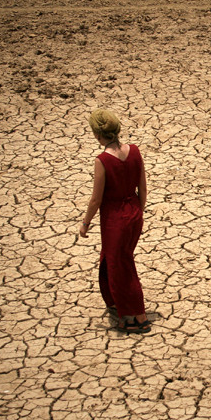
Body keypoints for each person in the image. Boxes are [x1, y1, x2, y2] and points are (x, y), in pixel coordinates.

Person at [78, 109, 149, 333]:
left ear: (98, 135)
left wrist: (85, 223)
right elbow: (143, 188)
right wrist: (138, 212)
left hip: (115, 220)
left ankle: (136, 317)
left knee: (122, 267)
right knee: (113, 260)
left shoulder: (102, 161)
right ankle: (114, 302)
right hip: (134, 214)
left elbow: (95, 199)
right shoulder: (135, 152)